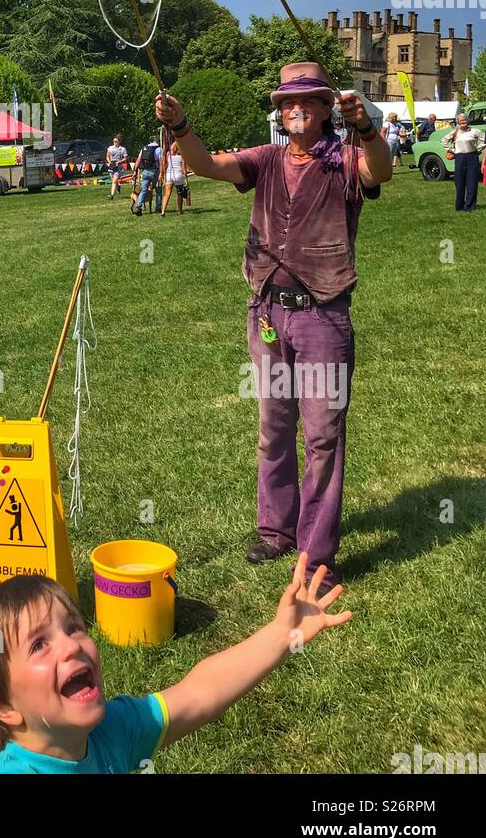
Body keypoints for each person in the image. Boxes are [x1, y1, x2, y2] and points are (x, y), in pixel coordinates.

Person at [157, 62, 393, 593]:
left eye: (308, 101)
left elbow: (380, 172)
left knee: (324, 436)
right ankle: (276, 531)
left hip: (323, 316)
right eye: (288, 101)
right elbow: (207, 165)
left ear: (327, 108)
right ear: (280, 110)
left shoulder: (344, 160)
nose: (296, 109)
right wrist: (181, 126)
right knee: (273, 428)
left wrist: (369, 128)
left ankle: (315, 553)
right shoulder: (264, 160)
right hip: (267, 312)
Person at [0, 563, 350, 774]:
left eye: (73, 627)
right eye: (40, 644)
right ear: (3, 706)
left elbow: (199, 693)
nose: (72, 644)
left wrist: (282, 636)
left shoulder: (112, 732)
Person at [443, 113, 485, 211]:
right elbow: (444, 141)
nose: (463, 122)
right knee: (459, 182)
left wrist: (477, 149)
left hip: (472, 156)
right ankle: (459, 206)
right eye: (460, 120)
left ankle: (470, 206)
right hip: (460, 157)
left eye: (464, 120)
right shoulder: (455, 132)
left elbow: (484, 140)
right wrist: (453, 150)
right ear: (458, 121)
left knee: (472, 182)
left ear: (467, 120)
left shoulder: (475, 131)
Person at [131, 137, 160, 216]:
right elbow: (162, 161)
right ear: (159, 142)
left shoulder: (144, 148)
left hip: (145, 171)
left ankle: (138, 207)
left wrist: (135, 171)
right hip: (155, 171)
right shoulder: (159, 149)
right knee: (158, 189)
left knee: (144, 190)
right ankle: (158, 208)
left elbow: (138, 160)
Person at [160, 140, 189, 216]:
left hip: (169, 174)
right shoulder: (182, 155)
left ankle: (163, 211)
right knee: (179, 194)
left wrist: (163, 174)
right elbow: (184, 168)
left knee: (167, 194)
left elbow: (165, 164)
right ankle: (180, 211)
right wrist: (186, 179)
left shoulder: (168, 154)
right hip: (178, 175)